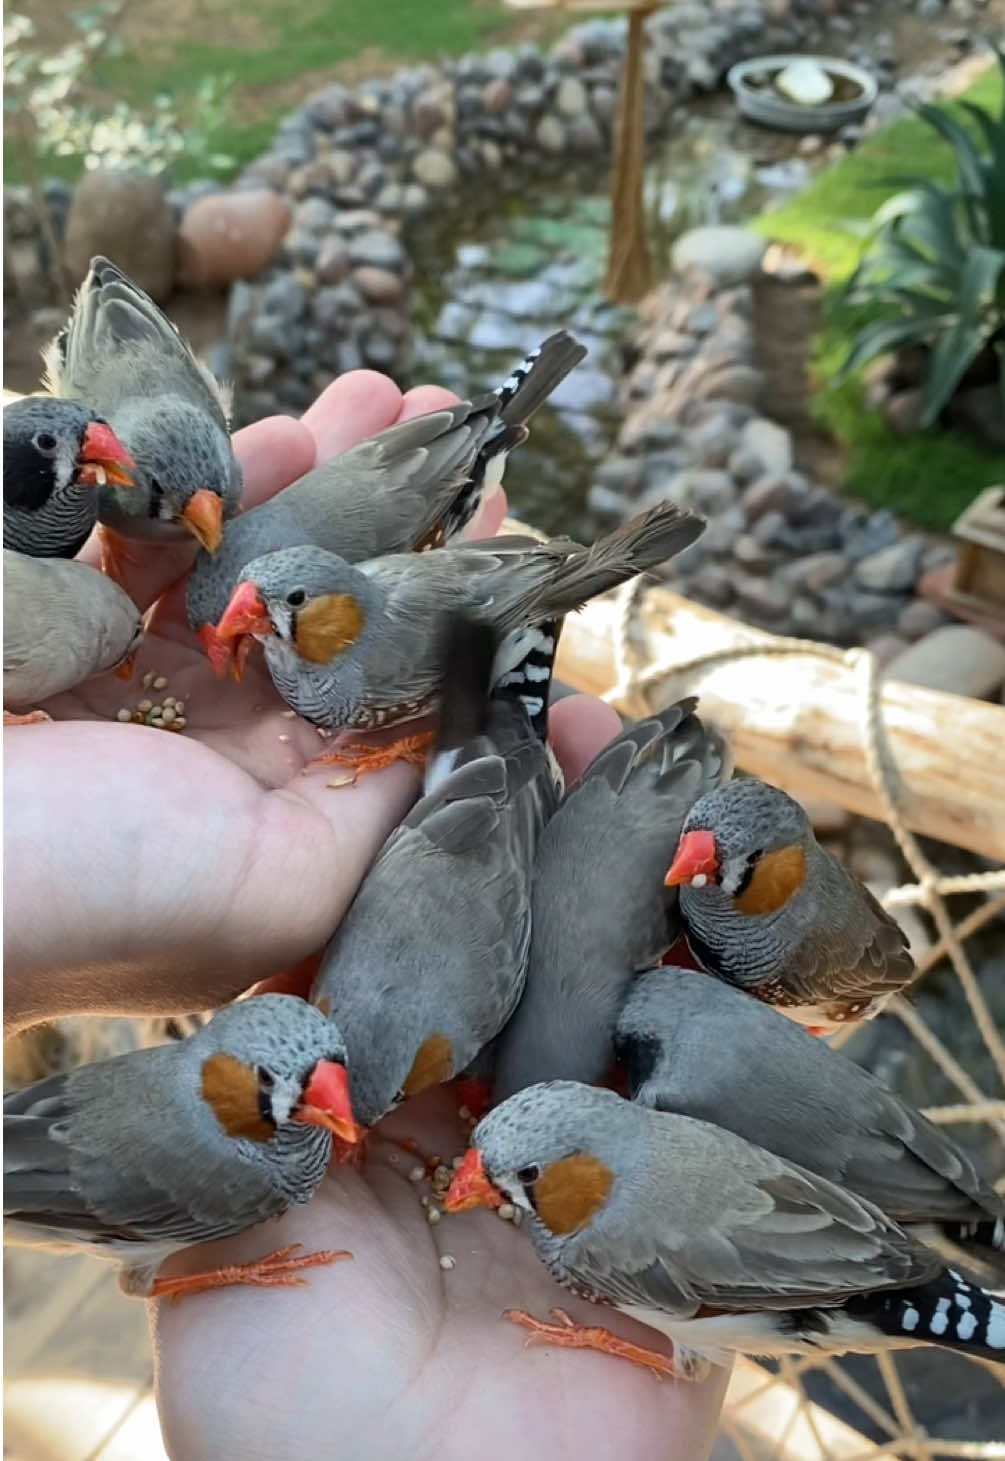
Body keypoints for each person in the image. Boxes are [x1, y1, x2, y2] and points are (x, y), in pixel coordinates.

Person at [3, 371, 728, 1461]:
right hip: (469, 803)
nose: (338, 1121)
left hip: (463, 799)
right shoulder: (286, 1120)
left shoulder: (371, 1061)